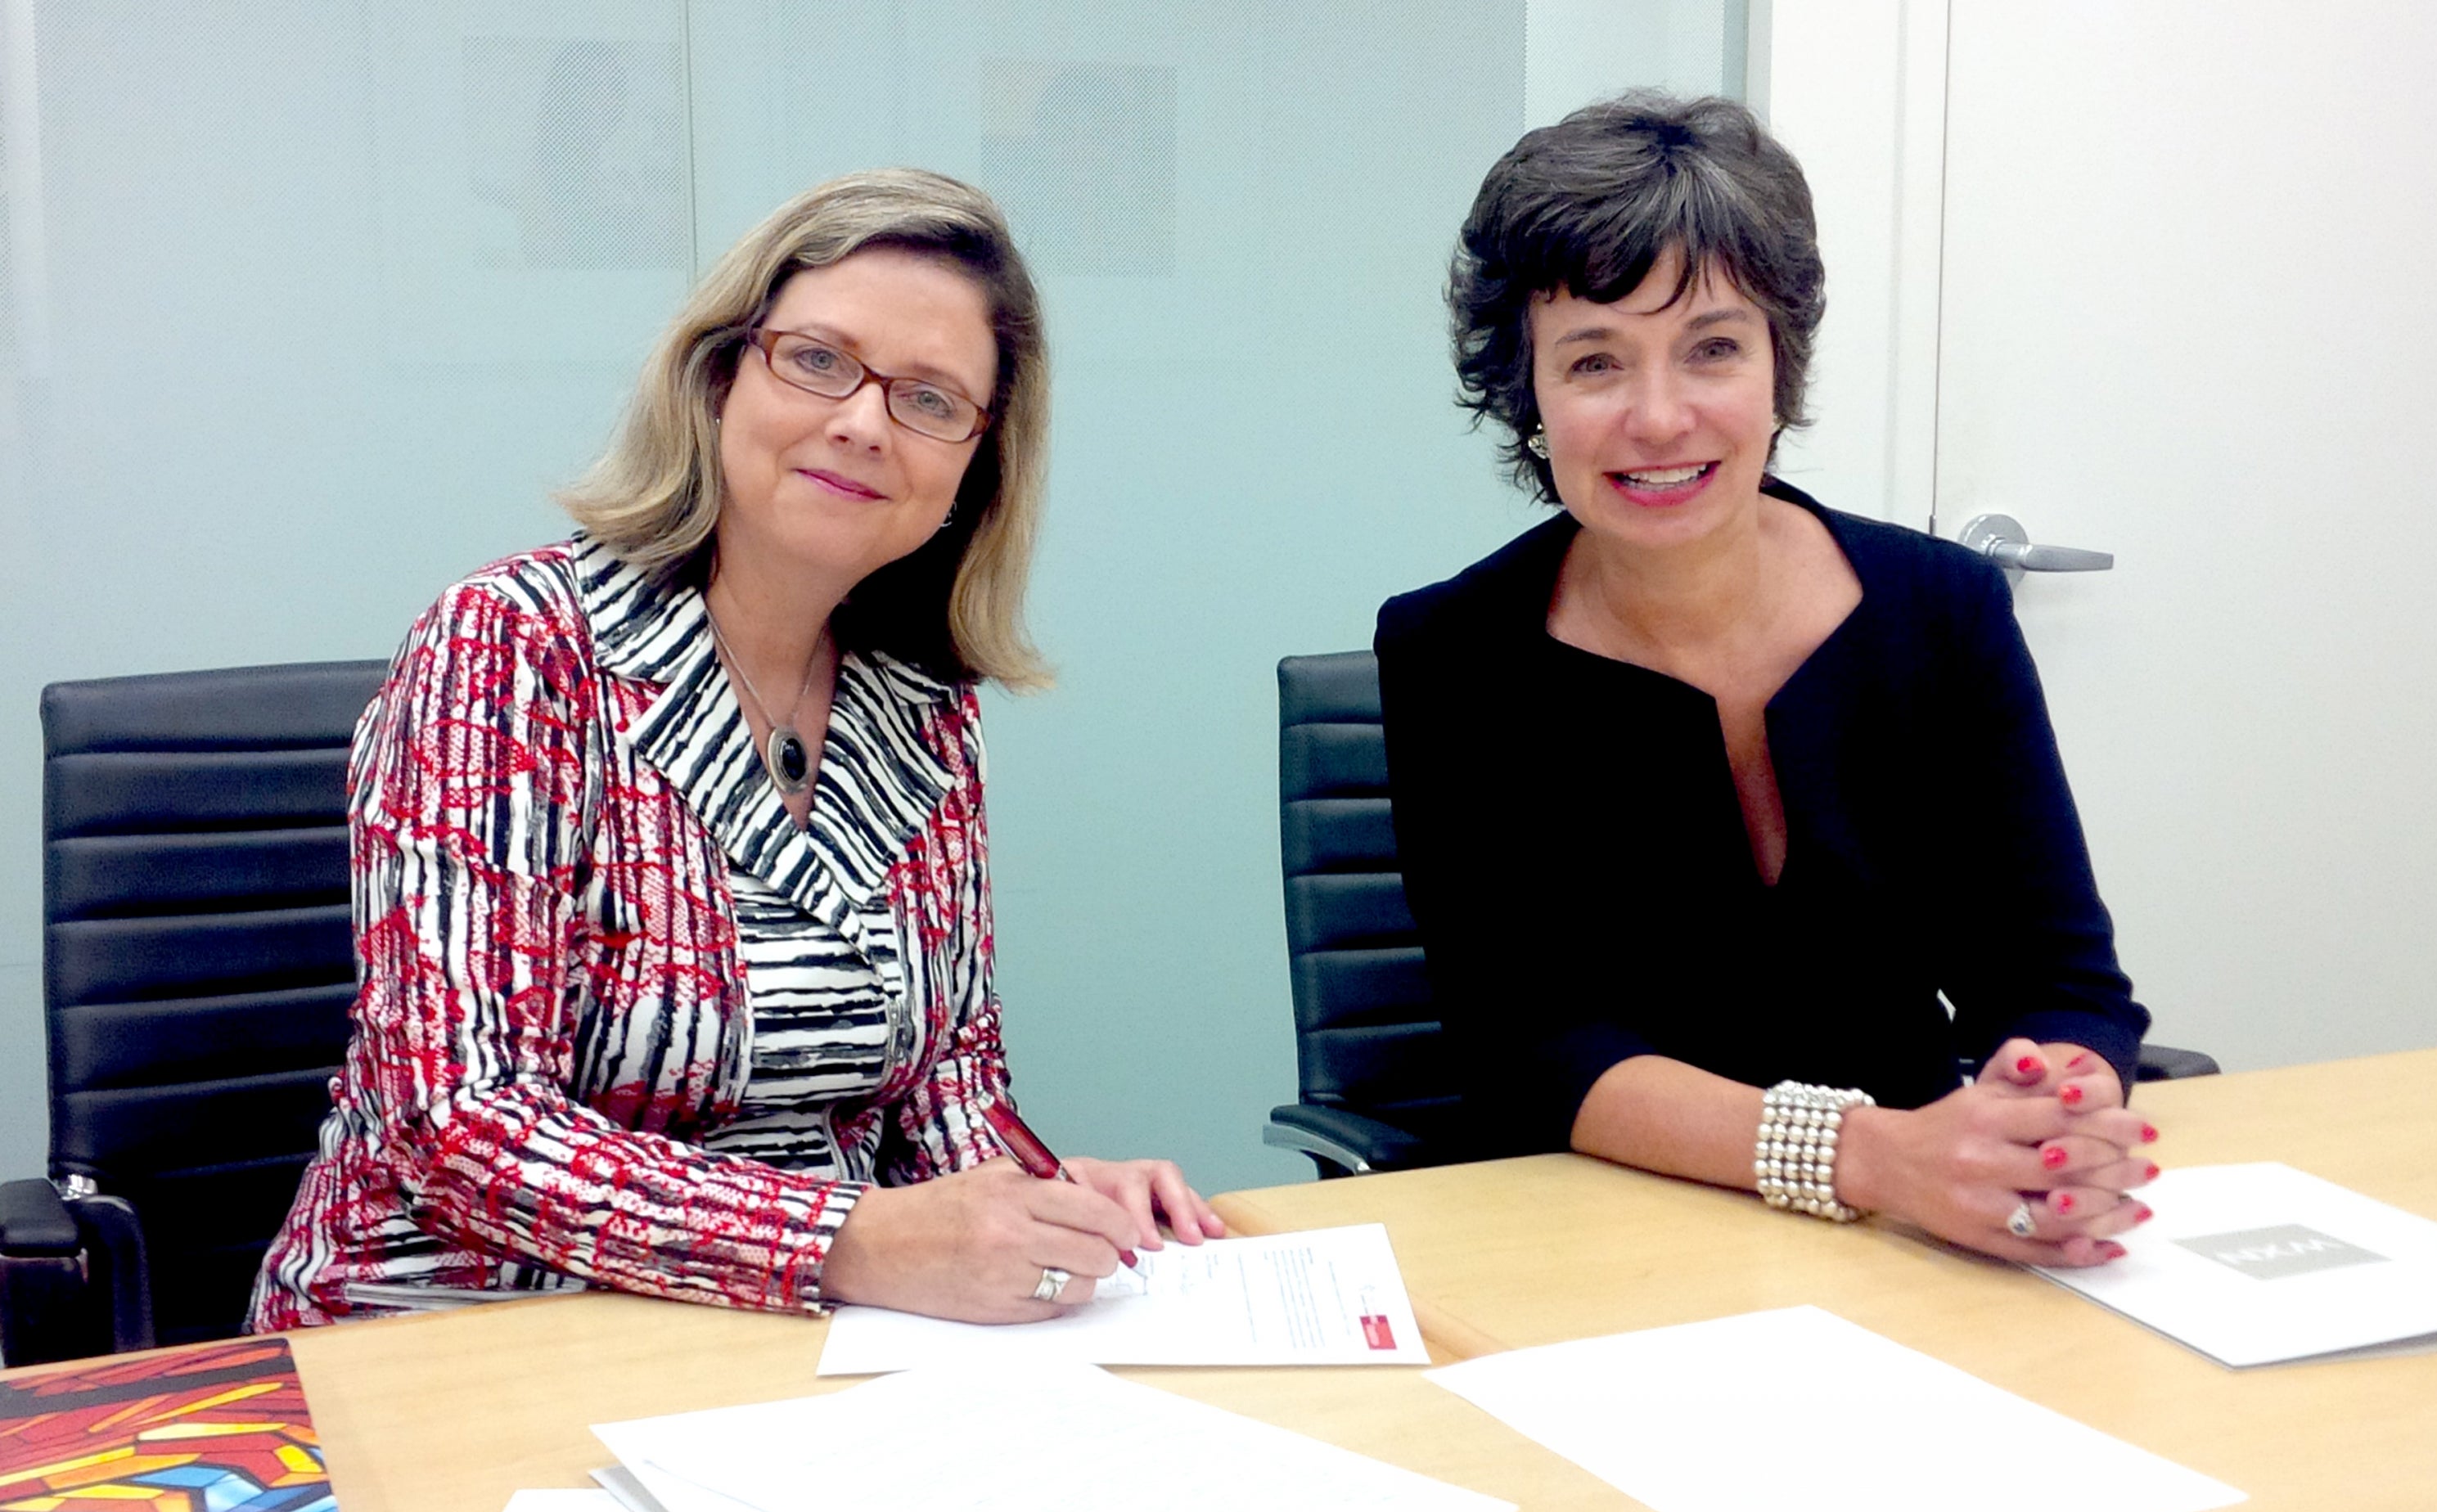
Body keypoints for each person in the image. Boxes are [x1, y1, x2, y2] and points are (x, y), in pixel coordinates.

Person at [252, 169, 1223, 1331]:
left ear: (974, 467)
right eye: (817, 360)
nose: (864, 422)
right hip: (450, 1331)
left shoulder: (920, 709)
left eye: (929, 399)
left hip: (794, 1343)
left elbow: (948, 1091)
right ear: (720, 378)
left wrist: (1050, 1200)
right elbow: (457, 1123)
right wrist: (845, 1238)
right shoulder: (513, 648)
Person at [1376, 94, 2155, 1267]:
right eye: (1595, 361)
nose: (1659, 415)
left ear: (1780, 366)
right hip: (1594, 1234)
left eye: (1713, 348)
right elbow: (1531, 1046)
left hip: (1926, 1234)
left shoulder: (1942, 610)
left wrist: (2051, 1112)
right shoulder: (1455, 651)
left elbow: (2053, 973)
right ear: (1527, 395)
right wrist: (1869, 1157)